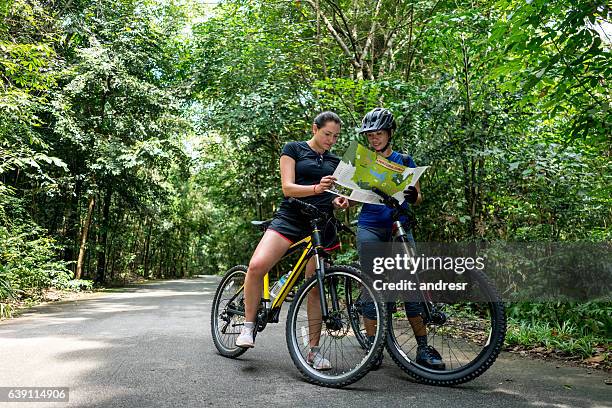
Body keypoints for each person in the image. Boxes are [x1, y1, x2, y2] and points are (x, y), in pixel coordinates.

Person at [235, 111, 349, 371]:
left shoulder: (336, 161)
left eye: (335, 136)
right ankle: (248, 326)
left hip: (321, 223)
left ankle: (314, 351)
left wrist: (339, 200)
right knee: (256, 266)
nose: (331, 140)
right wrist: (315, 189)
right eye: (327, 134)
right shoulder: (293, 149)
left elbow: (336, 195)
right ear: (315, 128)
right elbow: (287, 188)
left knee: (315, 287)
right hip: (291, 219)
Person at [356, 107, 445, 370]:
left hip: (400, 227)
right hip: (370, 226)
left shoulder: (405, 159)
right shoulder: (363, 161)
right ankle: (373, 349)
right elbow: (351, 197)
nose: (374, 139)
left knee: (411, 285)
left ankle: (423, 348)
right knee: (372, 286)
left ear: (390, 133)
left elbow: (419, 197)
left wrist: (412, 194)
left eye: (379, 134)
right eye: (370, 135)